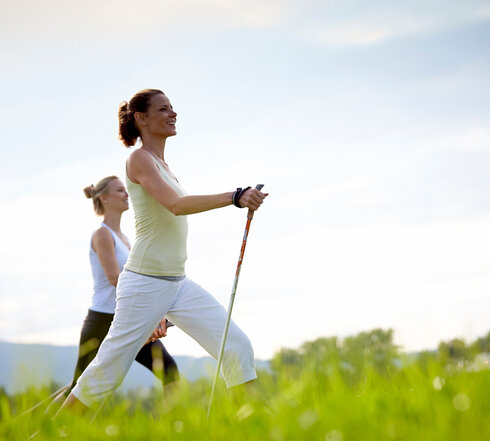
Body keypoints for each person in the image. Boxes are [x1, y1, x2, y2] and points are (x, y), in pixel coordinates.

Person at [60, 89, 267, 412]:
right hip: (144, 283)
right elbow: (175, 205)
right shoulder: (139, 158)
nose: (173, 114)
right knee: (106, 374)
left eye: (173, 108)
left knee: (237, 347)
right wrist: (235, 196)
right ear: (141, 118)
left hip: (177, 283)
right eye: (163, 109)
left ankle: (250, 429)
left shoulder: (164, 164)